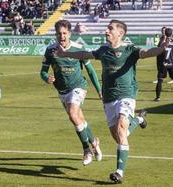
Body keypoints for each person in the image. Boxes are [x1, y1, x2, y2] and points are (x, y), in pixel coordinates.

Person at [56, 19, 166, 183]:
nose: (106, 31)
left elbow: (148, 52)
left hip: (126, 95)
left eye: (110, 28)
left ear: (120, 33)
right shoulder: (103, 50)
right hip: (108, 98)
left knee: (122, 129)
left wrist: (162, 48)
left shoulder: (130, 50)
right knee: (120, 136)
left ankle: (119, 173)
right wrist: (66, 54)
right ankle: (139, 119)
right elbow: (85, 55)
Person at [40, 20, 102, 166]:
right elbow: (43, 71)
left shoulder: (78, 48)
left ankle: (86, 150)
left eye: (64, 33)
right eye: (59, 33)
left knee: (73, 114)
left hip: (78, 86)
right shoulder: (50, 50)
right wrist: (46, 78)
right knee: (79, 119)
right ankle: (94, 142)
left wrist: (99, 90)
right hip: (62, 90)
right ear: (55, 34)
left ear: (69, 33)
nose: (61, 36)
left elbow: (90, 71)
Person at [154, 27, 173, 102]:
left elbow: (158, 54)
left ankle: (158, 97)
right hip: (172, 64)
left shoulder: (162, 42)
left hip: (163, 64)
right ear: (172, 33)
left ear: (165, 33)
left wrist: (158, 65)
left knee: (160, 81)